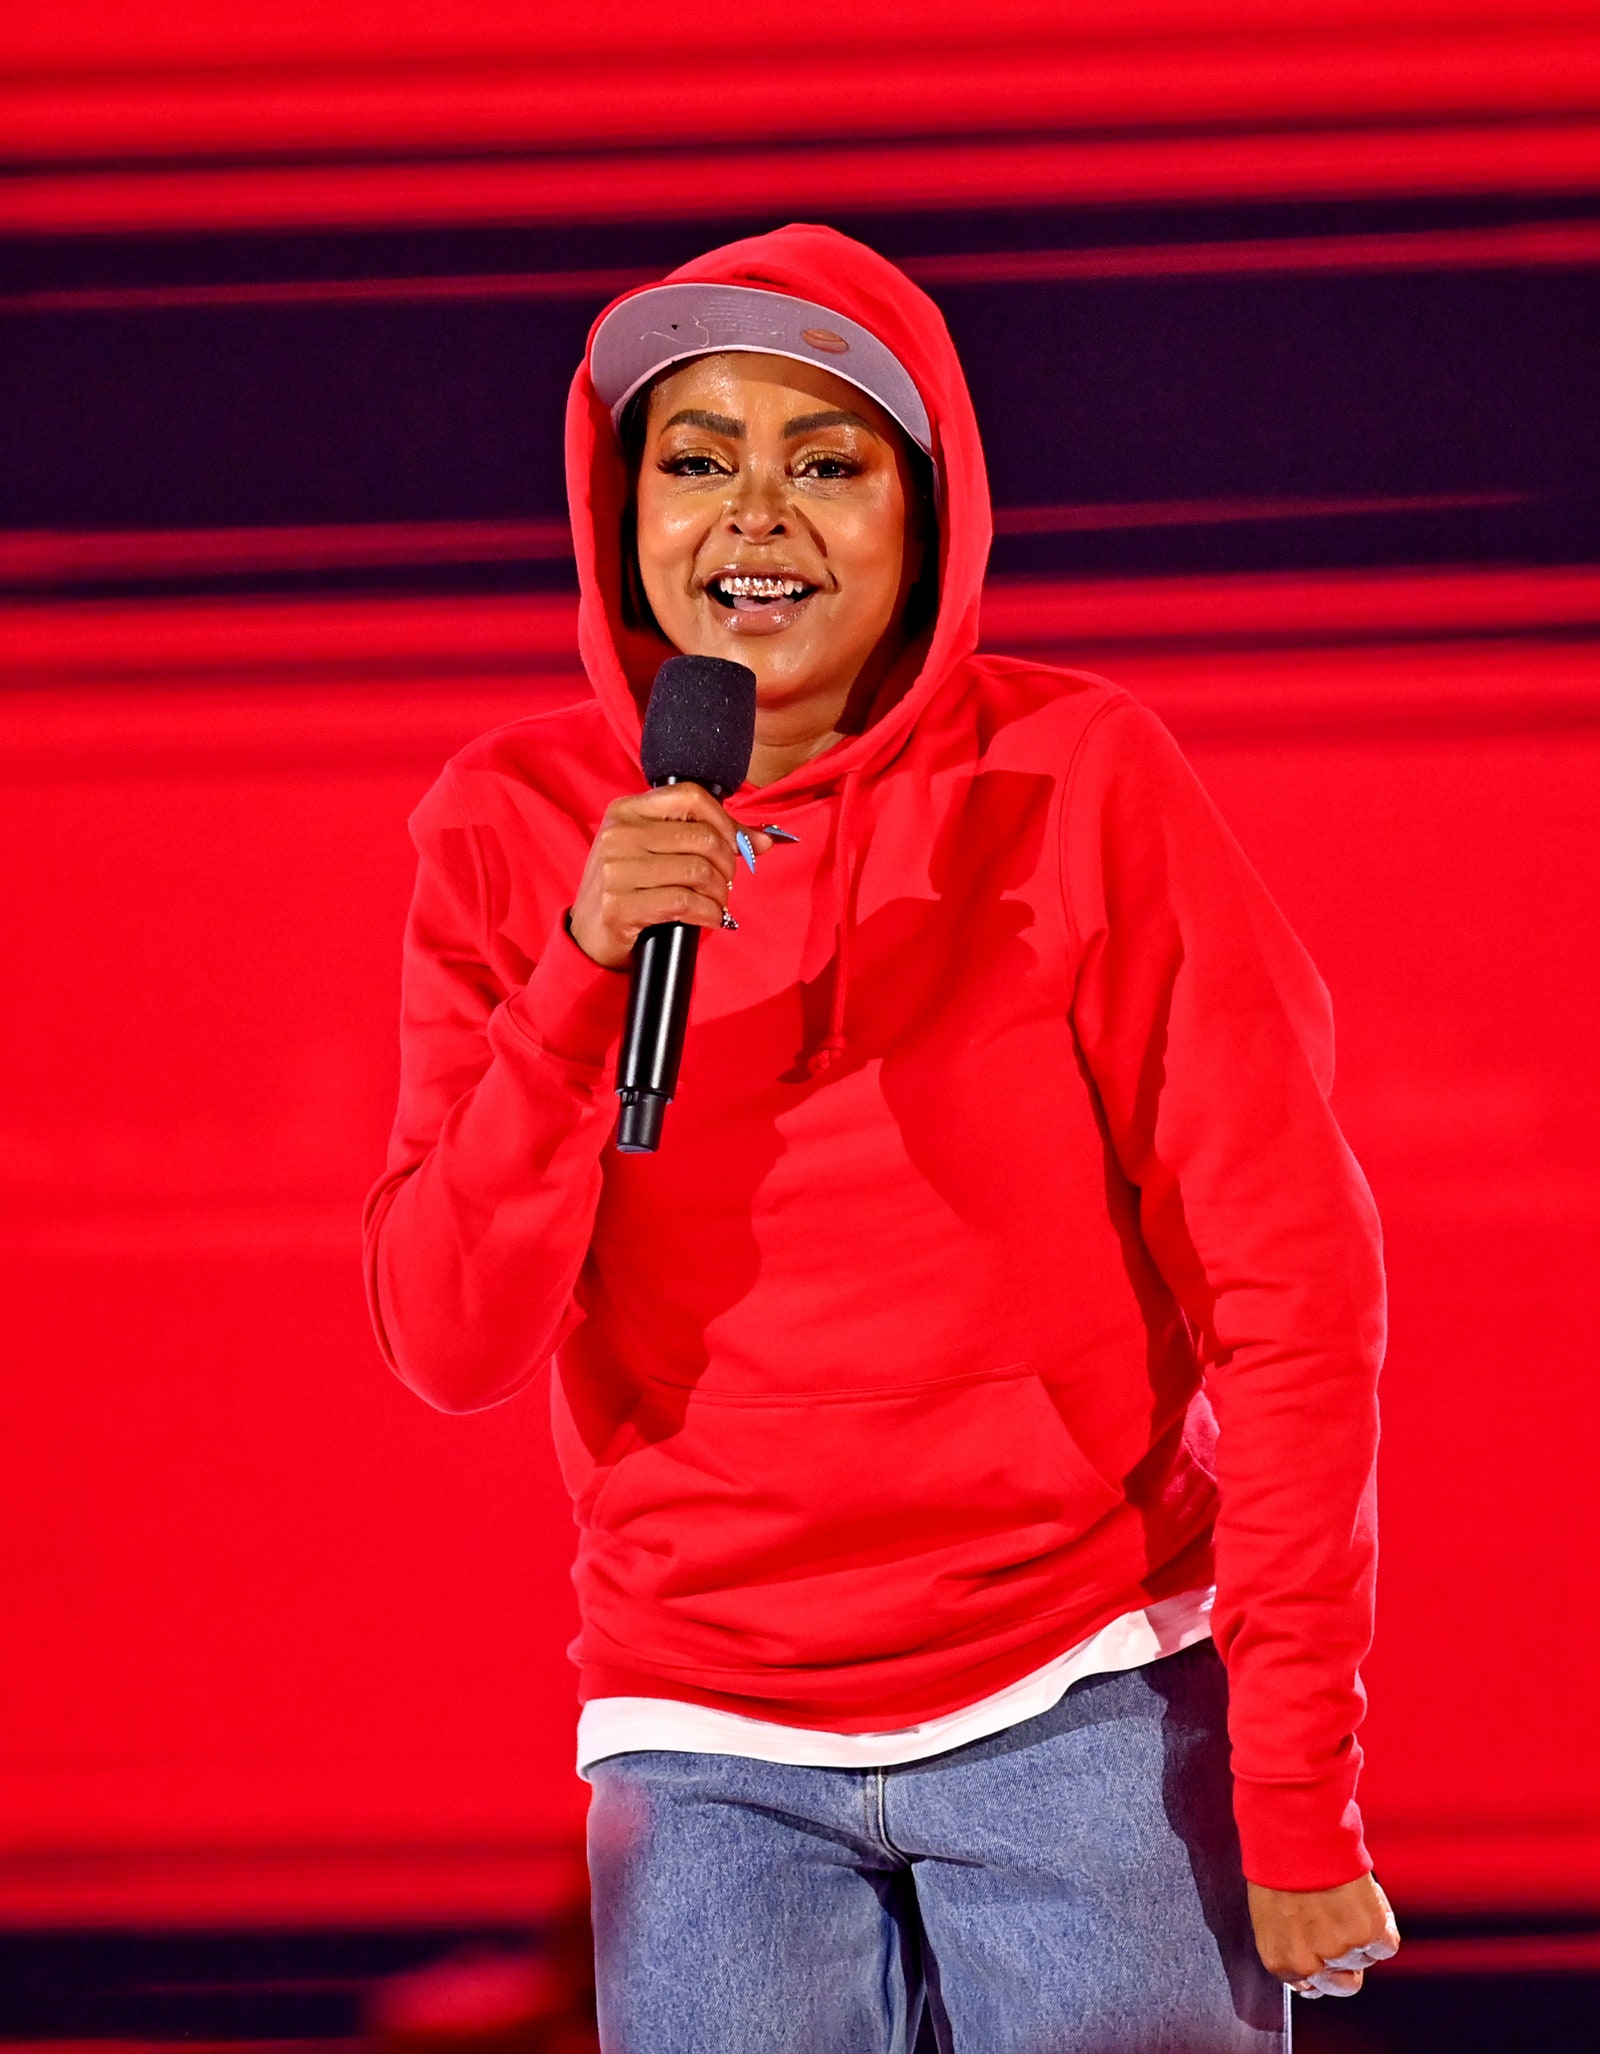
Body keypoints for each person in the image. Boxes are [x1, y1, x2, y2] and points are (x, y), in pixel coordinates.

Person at [364, 223, 1401, 2052]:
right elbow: (451, 1339)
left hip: (1087, 1698)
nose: (753, 514)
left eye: (824, 460)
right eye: (697, 459)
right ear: (625, 513)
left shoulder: (1079, 781)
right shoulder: (517, 825)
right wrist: (583, 973)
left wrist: (1297, 1779)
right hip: (701, 1746)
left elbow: (1292, 1289)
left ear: (926, 514)